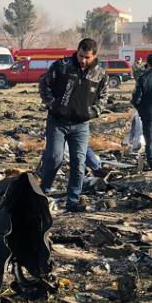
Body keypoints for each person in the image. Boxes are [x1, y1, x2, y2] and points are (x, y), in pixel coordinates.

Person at [38, 38, 108, 212]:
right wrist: (52, 104)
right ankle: (42, 193)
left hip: (81, 125)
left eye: (87, 57)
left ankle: (73, 200)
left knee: (79, 162)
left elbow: (103, 98)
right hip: (57, 122)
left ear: (95, 56)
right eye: (80, 55)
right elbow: (44, 84)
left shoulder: (100, 74)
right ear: (77, 51)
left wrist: (93, 112)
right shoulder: (62, 66)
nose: (83, 60)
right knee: (54, 157)